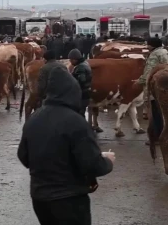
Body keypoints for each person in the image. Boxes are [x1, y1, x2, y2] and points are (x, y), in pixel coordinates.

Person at [17, 66, 114, 225]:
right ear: (73, 93)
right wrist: (107, 161)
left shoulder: (34, 118)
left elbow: (24, 157)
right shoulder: (76, 122)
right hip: (70, 200)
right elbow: (92, 165)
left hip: (40, 199)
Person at [134, 37, 168, 145]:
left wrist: (140, 81)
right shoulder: (164, 52)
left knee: (155, 113)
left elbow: (150, 71)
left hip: (156, 88)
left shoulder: (155, 55)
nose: (147, 46)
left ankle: (157, 137)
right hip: (162, 86)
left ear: (152, 45)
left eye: (148, 44)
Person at [68, 48, 92, 117]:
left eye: (71, 59)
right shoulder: (85, 63)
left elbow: (82, 81)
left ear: (75, 59)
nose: (70, 61)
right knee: (81, 114)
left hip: (81, 95)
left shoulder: (80, 67)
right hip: (85, 94)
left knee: (79, 115)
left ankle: (81, 127)